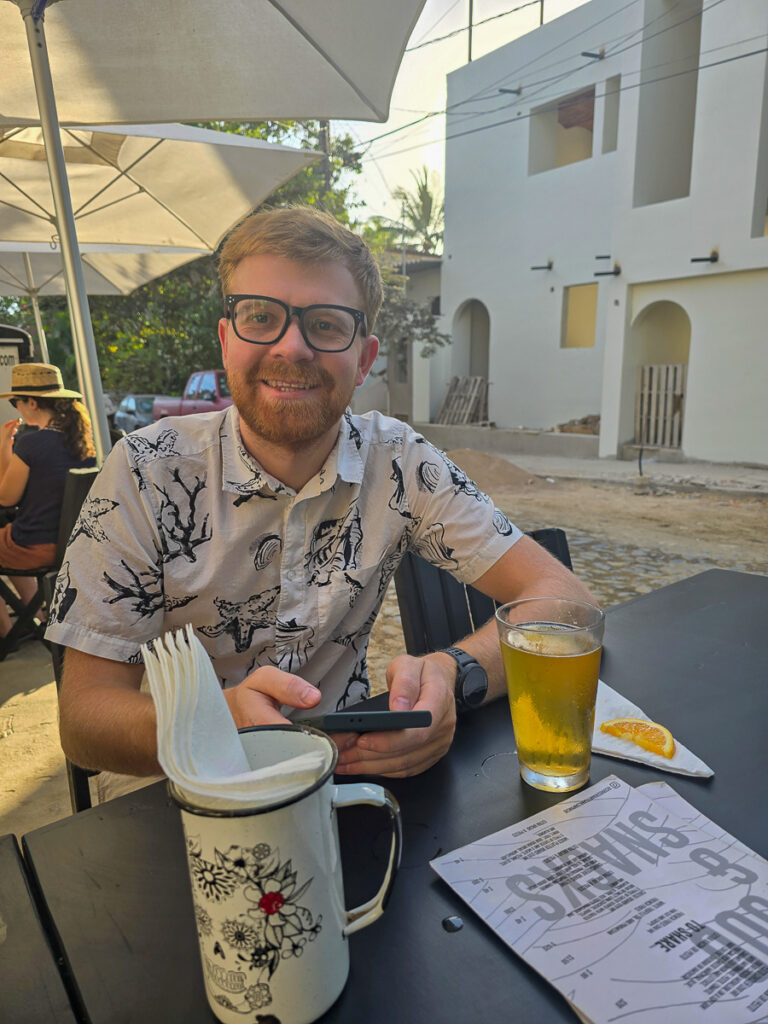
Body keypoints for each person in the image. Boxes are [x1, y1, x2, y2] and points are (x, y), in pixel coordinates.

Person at [49, 206, 596, 786]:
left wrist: (456, 672)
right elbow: (84, 720)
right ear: (227, 340)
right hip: (190, 792)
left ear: (364, 359)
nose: (292, 348)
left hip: (350, 777)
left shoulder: (400, 462)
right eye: (261, 317)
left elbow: (566, 601)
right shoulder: (146, 470)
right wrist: (214, 721)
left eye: (327, 325)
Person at [0, 362, 96, 641]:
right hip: (72, 545)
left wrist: (3, 446)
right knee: (8, 535)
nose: (16, 408)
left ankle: (7, 632)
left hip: (36, 547)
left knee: (9, 536)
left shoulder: (32, 444)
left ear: (32, 403)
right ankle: (36, 618)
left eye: (16, 402)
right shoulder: (83, 441)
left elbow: (6, 497)